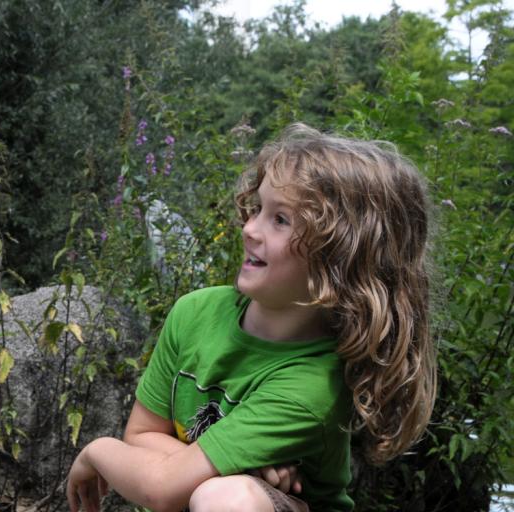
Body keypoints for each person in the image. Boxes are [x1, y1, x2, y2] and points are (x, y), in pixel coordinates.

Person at [66, 123, 437, 512]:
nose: (249, 229)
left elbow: (160, 487)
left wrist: (97, 449)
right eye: (257, 208)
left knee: (228, 499)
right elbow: (141, 436)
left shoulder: (311, 387)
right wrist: (220, 464)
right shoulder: (195, 313)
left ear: (340, 261)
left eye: (281, 220)